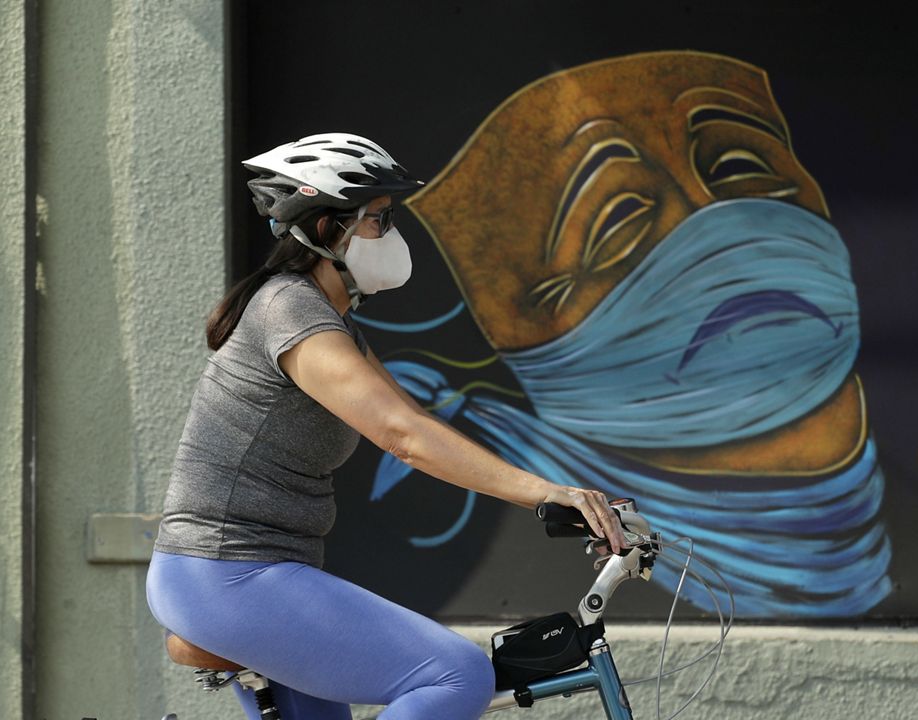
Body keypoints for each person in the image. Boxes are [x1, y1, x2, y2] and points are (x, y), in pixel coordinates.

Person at [145, 132, 625, 720]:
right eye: (378, 220)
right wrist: (544, 494)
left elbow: (417, 421)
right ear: (326, 230)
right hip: (226, 574)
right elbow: (401, 436)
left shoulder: (334, 323)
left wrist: (571, 495)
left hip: (254, 574)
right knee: (456, 677)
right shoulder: (289, 309)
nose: (392, 235)